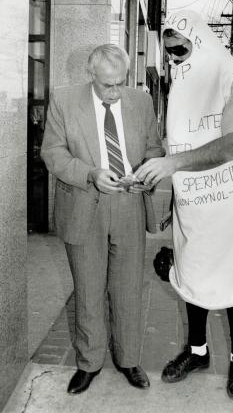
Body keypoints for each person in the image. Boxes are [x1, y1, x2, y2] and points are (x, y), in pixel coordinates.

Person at [135, 10, 233, 400]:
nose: (175, 60)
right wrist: (176, 201)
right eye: (170, 54)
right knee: (194, 278)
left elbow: (232, 144)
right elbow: (185, 145)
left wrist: (170, 165)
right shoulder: (183, 90)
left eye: (181, 51)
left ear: (201, 42)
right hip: (196, 208)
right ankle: (198, 352)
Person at [41, 44, 164, 394]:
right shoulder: (64, 100)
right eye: (108, 84)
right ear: (91, 74)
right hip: (83, 203)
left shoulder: (140, 101)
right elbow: (52, 152)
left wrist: (144, 174)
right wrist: (91, 173)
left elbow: (154, 149)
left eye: (120, 83)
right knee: (89, 290)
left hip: (128, 202)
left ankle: (128, 360)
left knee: (127, 290)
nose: (115, 91)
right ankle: (89, 363)